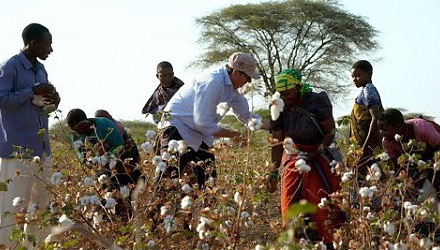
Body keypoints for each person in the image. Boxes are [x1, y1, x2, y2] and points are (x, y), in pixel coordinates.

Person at [158, 52, 261, 189]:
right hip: (176, 128)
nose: (248, 83)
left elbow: (246, 117)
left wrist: (273, 125)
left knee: (208, 181)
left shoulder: (233, 92)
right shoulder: (213, 81)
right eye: (248, 78)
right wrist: (234, 135)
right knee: (166, 181)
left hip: (197, 134)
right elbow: (203, 123)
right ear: (236, 72)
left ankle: (201, 207)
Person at [268, 68, 345, 247]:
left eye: (289, 94)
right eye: (282, 94)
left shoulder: (317, 101)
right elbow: (277, 142)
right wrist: (272, 173)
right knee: (290, 203)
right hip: (294, 157)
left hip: (320, 155)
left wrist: (317, 151)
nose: (285, 98)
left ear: (299, 88)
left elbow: (330, 132)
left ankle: (328, 242)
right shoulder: (277, 106)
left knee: (324, 203)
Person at [0, 23, 60, 247]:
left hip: (41, 148)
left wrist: (54, 101)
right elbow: (1, 99)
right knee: (13, 208)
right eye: (48, 44)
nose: (50, 50)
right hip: (18, 149)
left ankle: (34, 246)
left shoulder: (41, 70)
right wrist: (30, 92)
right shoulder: (10, 67)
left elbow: (42, 107)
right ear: (34, 43)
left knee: (41, 206)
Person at [377, 108, 440, 239]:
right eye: (380, 129)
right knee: (417, 197)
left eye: (385, 129)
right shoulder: (387, 143)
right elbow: (399, 166)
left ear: (398, 126)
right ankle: (428, 233)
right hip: (415, 167)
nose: (382, 133)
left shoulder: (421, 127)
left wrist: (432, 169)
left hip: (435, 158)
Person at [66, 109, 143, 190]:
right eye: (74, 130)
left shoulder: (103, 124)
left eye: (78, 128)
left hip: (125, 153)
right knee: (107, 188)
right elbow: (81, 153)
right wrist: (87, 161)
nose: (77, 132)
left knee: (130, 183)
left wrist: (104, 158)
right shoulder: (75, 135)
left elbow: (119, 145)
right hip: (102, 164)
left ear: (84, 121)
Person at [349, 60, 384, 164]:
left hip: (368, 145)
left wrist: (364, 148)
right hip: (363, 144)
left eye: (357, 76)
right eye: (353, 77)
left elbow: (375, 118)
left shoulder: (369, 90)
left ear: (368, 73)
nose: (354, 80)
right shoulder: (364, 91)